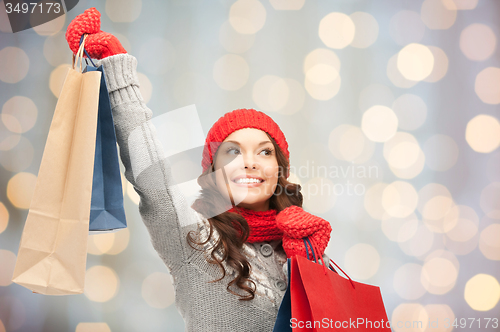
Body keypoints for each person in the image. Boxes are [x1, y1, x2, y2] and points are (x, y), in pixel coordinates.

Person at [65, 8, 333, 332]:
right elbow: (152, 178)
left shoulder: (300, 246)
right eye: (233, 152)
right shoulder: (197, 238)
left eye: (264, 152)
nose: (249, 162)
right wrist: (118, 71)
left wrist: (311, 264)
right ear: (213, 172)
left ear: (280, 171)